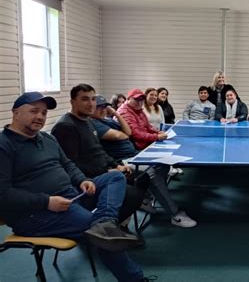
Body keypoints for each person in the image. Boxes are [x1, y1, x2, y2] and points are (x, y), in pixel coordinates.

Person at [0, 92, 148, 282]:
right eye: (34, 111)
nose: (40, 117)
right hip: (34, 214)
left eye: (44, 113)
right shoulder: (4, 146)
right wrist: (46, 202)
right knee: (100, 235)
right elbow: (3, 195)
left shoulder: (46, 139)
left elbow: (68, 164)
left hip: (71, 196)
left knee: (115, 178)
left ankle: (104, 222)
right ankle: (135, 278)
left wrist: (81, 180)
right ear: (16, 113)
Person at [51, 84, 149, 225]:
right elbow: (71, 164)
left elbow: (99, 151)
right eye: (85, 99)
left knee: (142, 177)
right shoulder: (66, 126)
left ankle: (119, 223)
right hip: (86, 179)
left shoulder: (88, 122)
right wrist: (108, 171)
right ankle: (102, 229)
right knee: (132, 195)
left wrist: (117, 165)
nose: (90, 103)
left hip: (104, 170)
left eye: (93, 99)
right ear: (72, 102)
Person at [118, 88, 196, 228]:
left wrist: (157, 132)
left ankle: (146, 198)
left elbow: (147, 126)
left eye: (141, 99)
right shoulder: (124, 112)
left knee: (164, 164)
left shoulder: (139, 111)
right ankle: (175, 214)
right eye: (136, 99)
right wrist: (156, 137)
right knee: (153, 172)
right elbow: (136, 133)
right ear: (129, 99)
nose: (139, 102)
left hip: (142, 148)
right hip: (131, 154)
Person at [90, 94, 137, 160]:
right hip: (121, 158)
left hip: (132, 154)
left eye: (104, 107)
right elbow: (117, 136)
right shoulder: (93, 122)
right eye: (98, 107)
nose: (103, 110)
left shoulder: (109, 119)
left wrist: (116, 114)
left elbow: (128, 132)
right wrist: (125, 134)